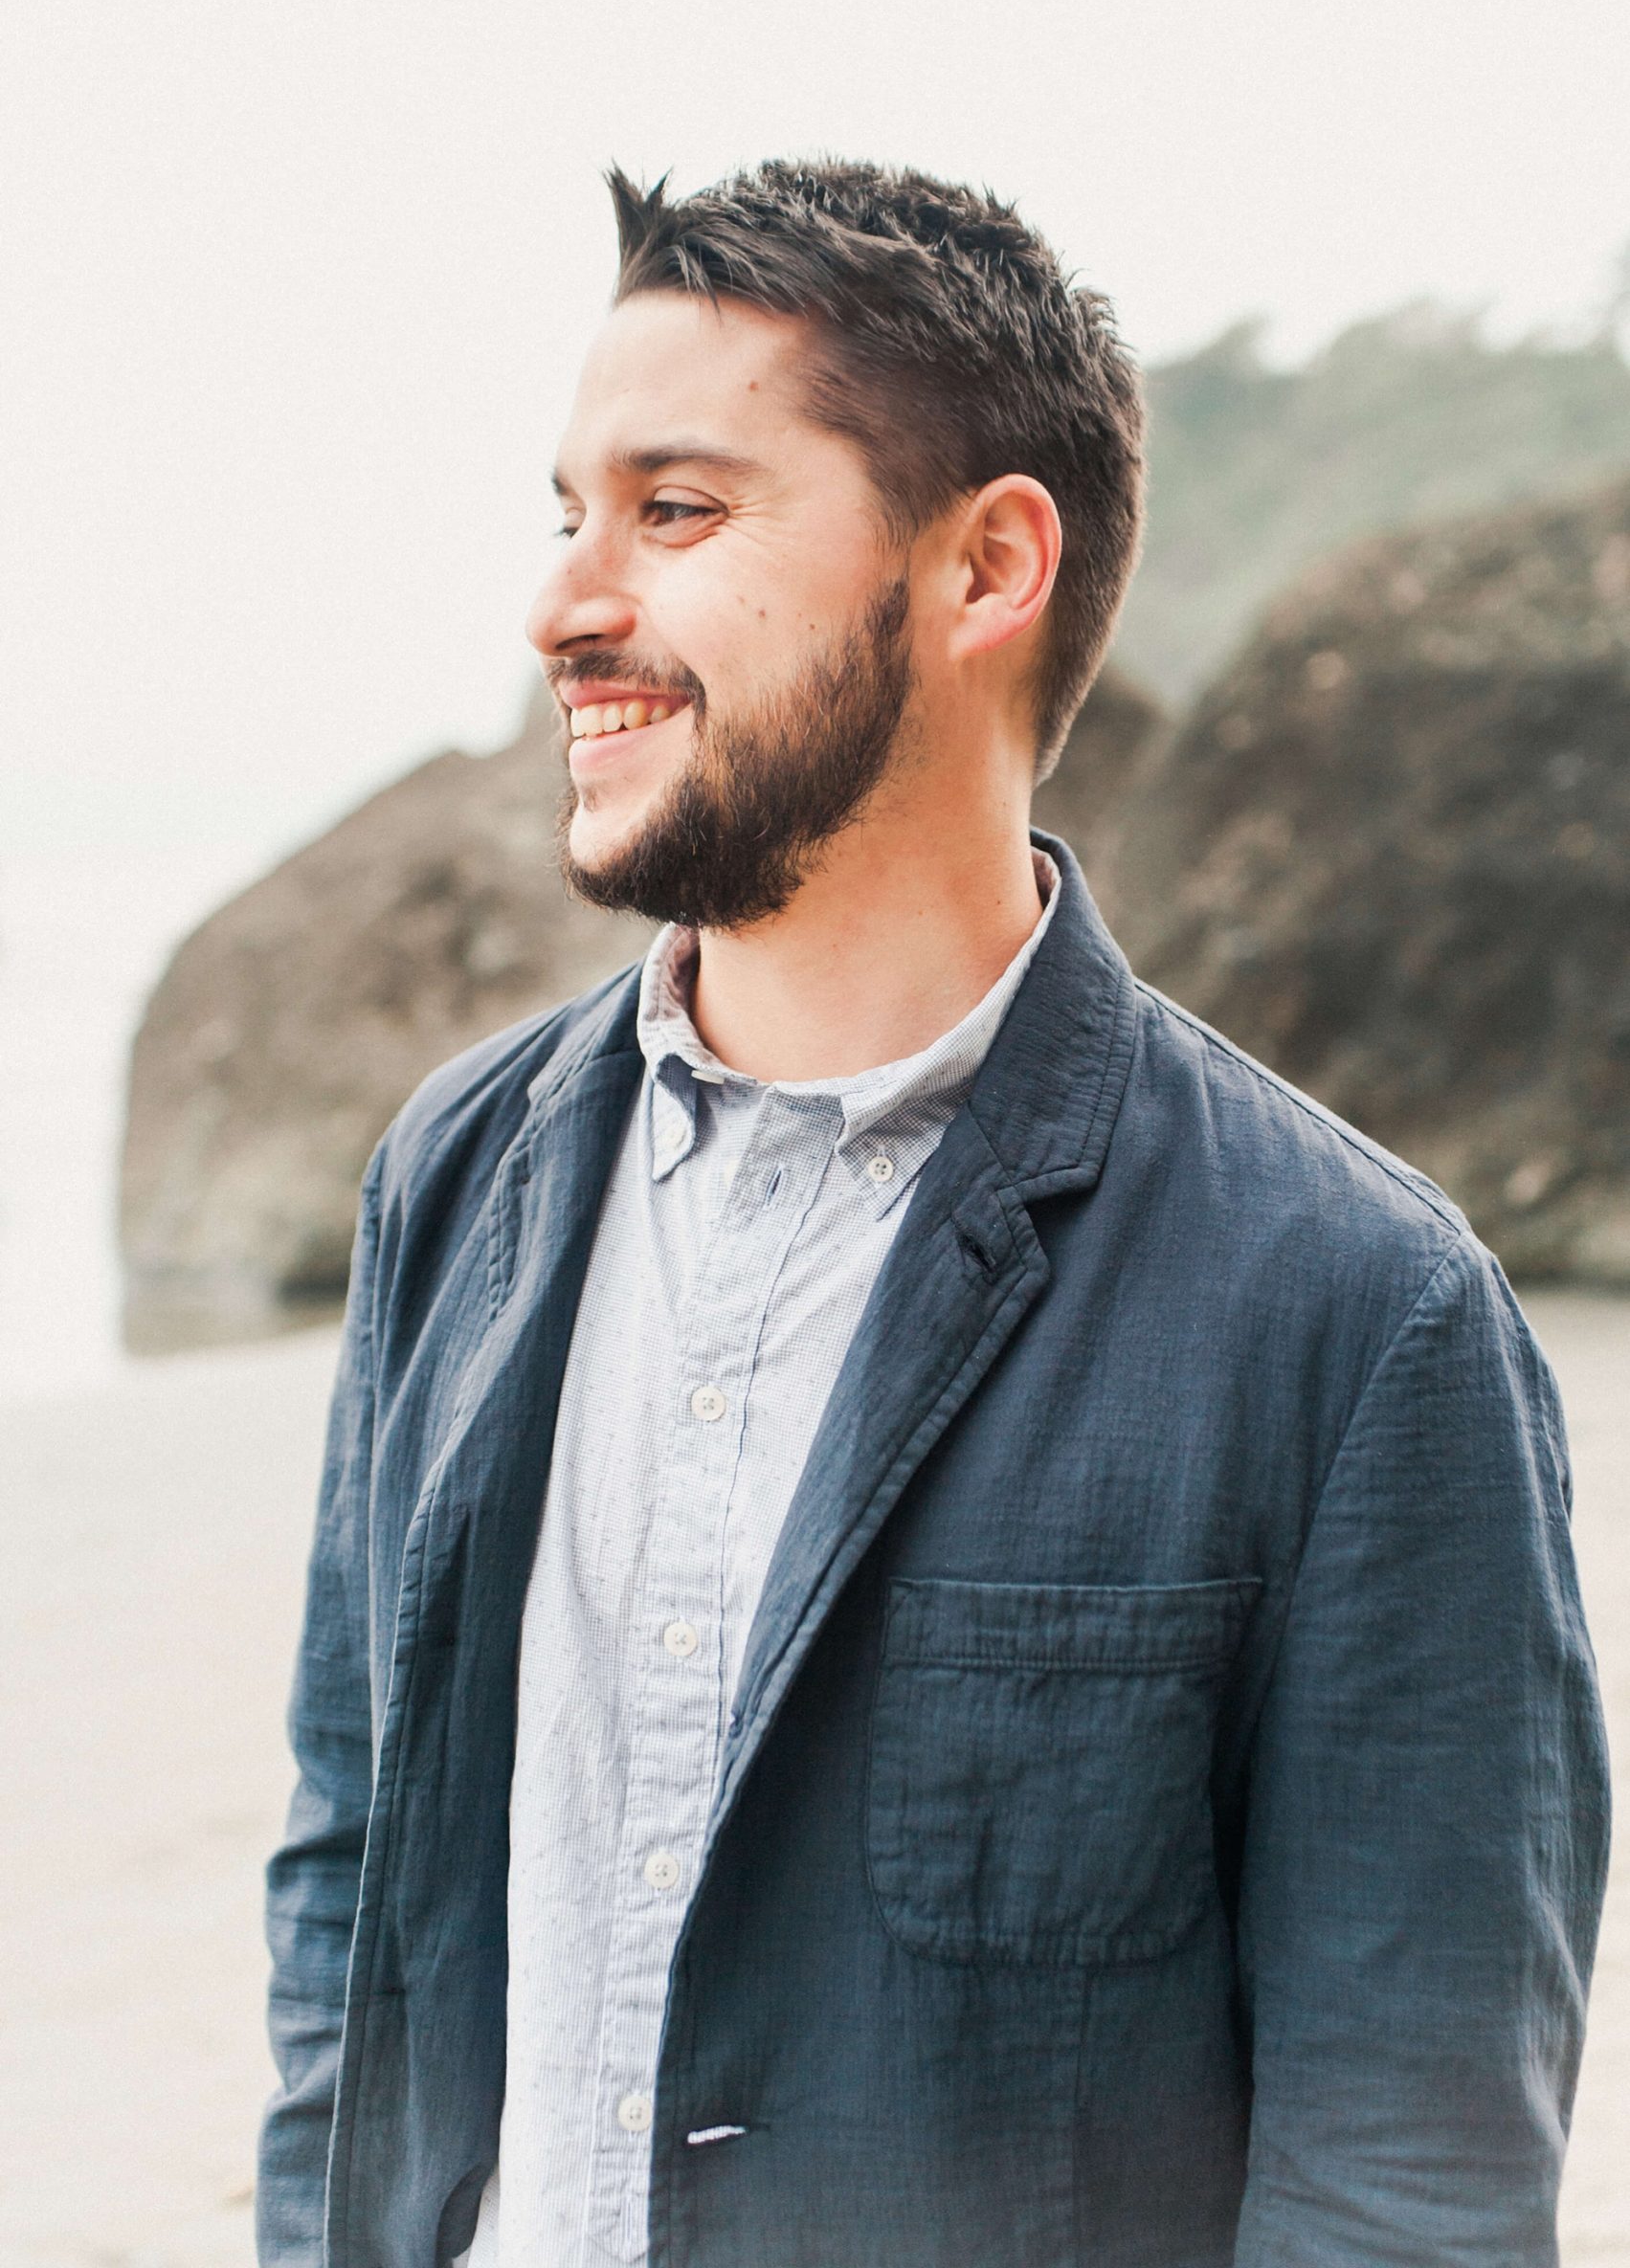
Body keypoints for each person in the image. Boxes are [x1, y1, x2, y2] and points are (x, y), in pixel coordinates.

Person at [257, 160, 1609, 2268]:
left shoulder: (1365, 1318)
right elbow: (354, 1896)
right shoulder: (459, 1177)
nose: (563, 604)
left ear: (987, 567)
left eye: (677, 511)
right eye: (566, 511)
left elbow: (1408, 2193)